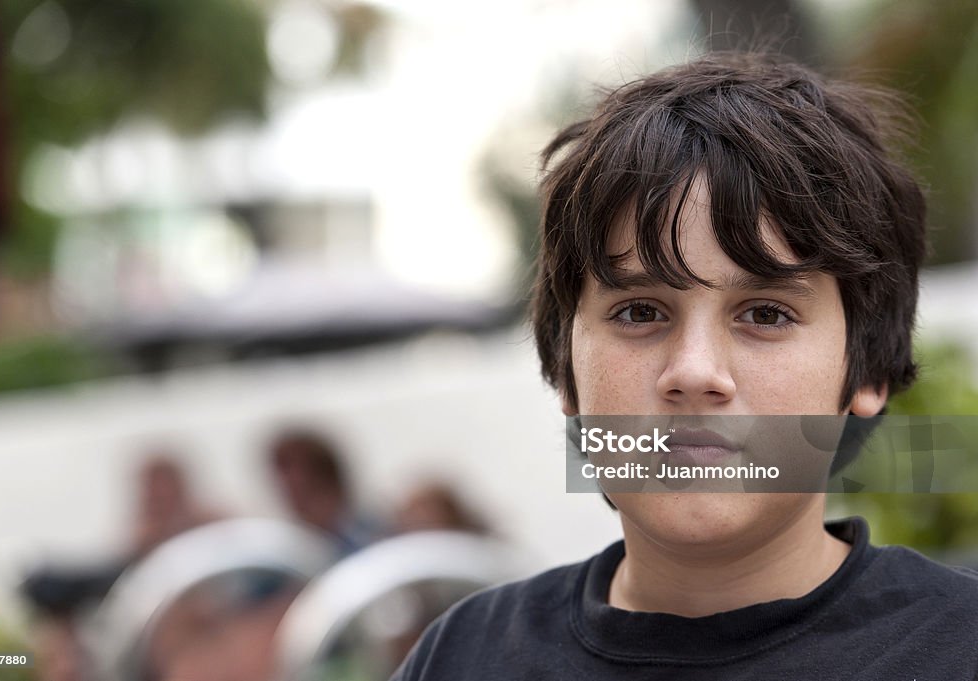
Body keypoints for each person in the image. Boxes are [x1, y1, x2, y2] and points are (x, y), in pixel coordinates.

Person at [390, 53, 978, 680]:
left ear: (866, 374)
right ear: (566, 369)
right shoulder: (461, 657)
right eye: (641, 312)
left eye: (766, 315)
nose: (694, 372)